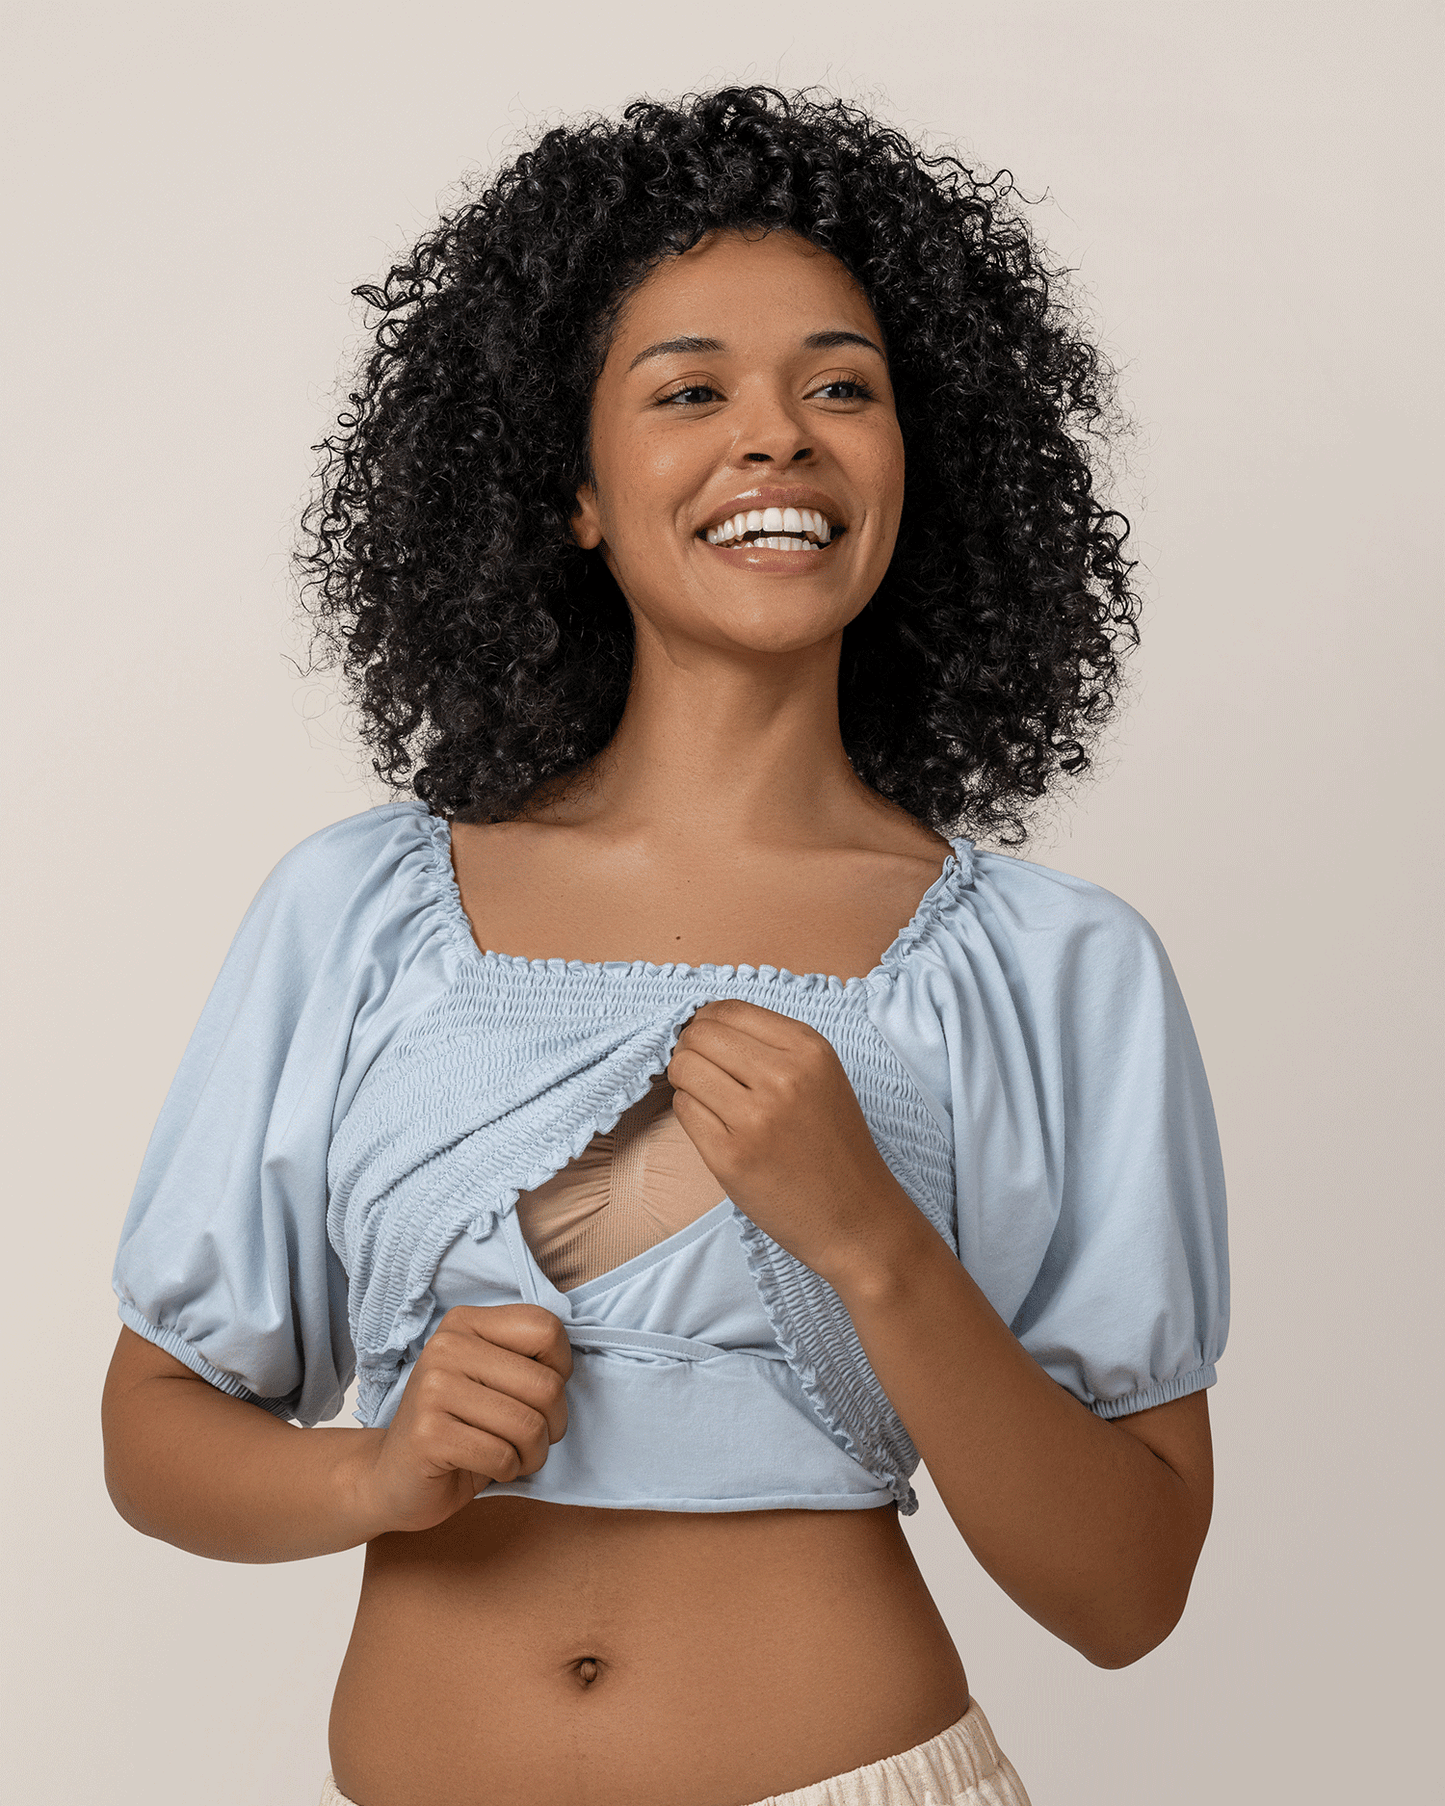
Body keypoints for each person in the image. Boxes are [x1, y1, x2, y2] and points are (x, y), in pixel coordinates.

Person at [100, 87, 1229, 1806]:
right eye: (691, 390)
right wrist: (371, 1475)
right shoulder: (360, 911)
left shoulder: (1061, 968)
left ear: (918, 468)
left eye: (841, 387)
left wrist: (875, 1242)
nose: (776, 438)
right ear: (573, 490)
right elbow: (153, 1427)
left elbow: (1128, 1590)